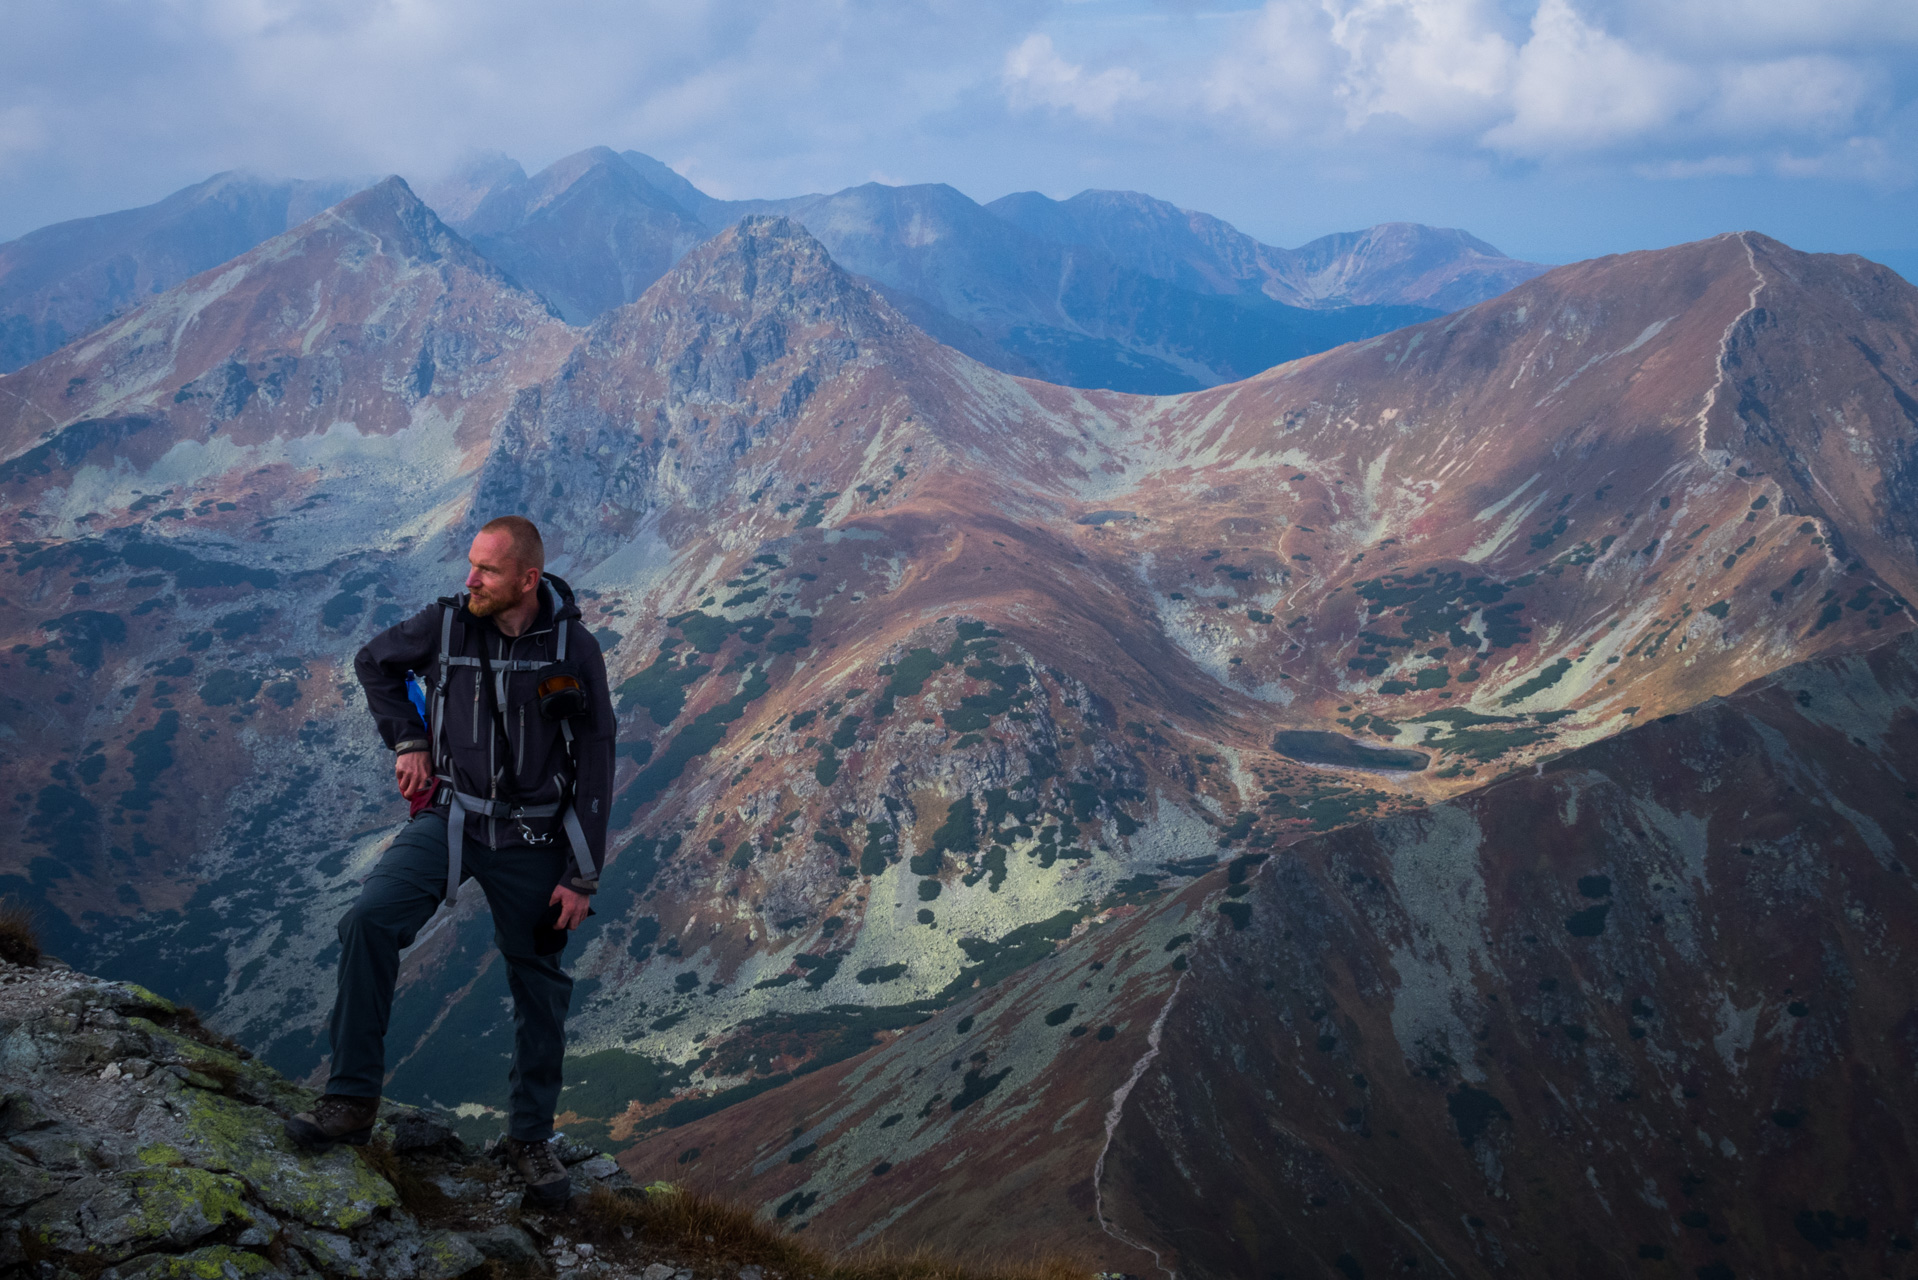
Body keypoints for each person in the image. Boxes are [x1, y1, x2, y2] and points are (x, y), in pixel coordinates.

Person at [285, 516, 616, 1204]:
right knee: (368, 922)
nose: (469, 580)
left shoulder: (573, 648)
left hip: (532, 837)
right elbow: (373, 662)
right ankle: (349, 1104)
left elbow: (596, 759)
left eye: (486, 571)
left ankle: (530, 1142)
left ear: (526, 579)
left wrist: (581, 874)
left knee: (539, 982)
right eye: (470, 566)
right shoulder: (444, 627)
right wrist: (408, 740)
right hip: (452, 816)